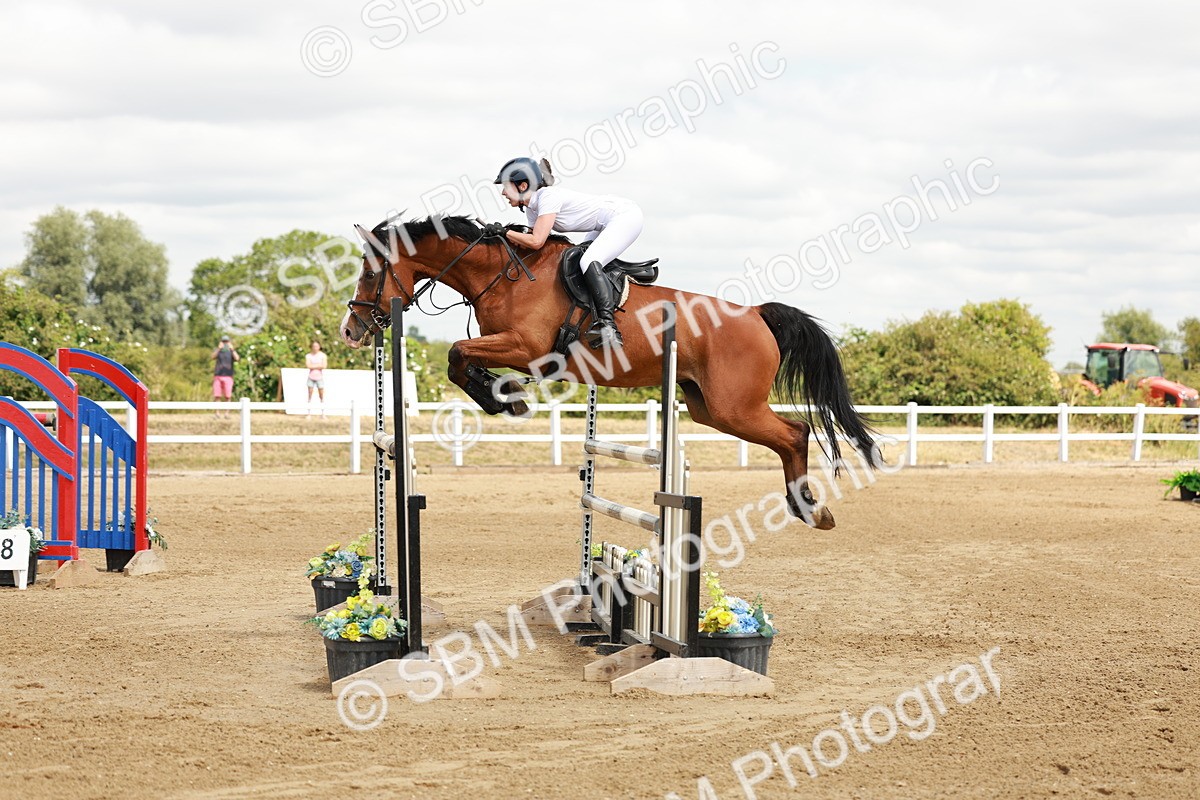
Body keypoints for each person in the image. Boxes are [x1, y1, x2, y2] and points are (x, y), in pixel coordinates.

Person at [487, 157, 643, 349]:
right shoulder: (532, 209)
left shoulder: (547, 197)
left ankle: (608, 326)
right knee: (581, 261)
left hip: (624, 216)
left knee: (588, 261)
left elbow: (537, 242)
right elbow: (528, 245)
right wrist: (496, 238)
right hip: (602, 223)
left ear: (523, 185)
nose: (503, 192)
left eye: (506, 187)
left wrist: (505, 232)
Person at [211, 335, 239, 418]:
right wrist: (218, 348)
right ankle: (217, 413)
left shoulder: (231, 351)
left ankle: (227, 413)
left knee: (228, 396)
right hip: (218, 375)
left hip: (228, 376)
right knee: (217, 395)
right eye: (224, 342)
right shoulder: (218, 351)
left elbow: (237, 358)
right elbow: (212, 357)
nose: (225, 343)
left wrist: (232, 349)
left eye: (226, 342)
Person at [305, 340, 328, 419]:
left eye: (316, 346)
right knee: (309, 395)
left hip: (319, 377)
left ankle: (323, 413)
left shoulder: (323, 355)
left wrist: (313, 365)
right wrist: (319, 365)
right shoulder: (308, 355)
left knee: (321, 395)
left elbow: (324, 366)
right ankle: (308, 413)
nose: (315, 348)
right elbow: (308, 365)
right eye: (314, 346)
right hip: (311, 377)